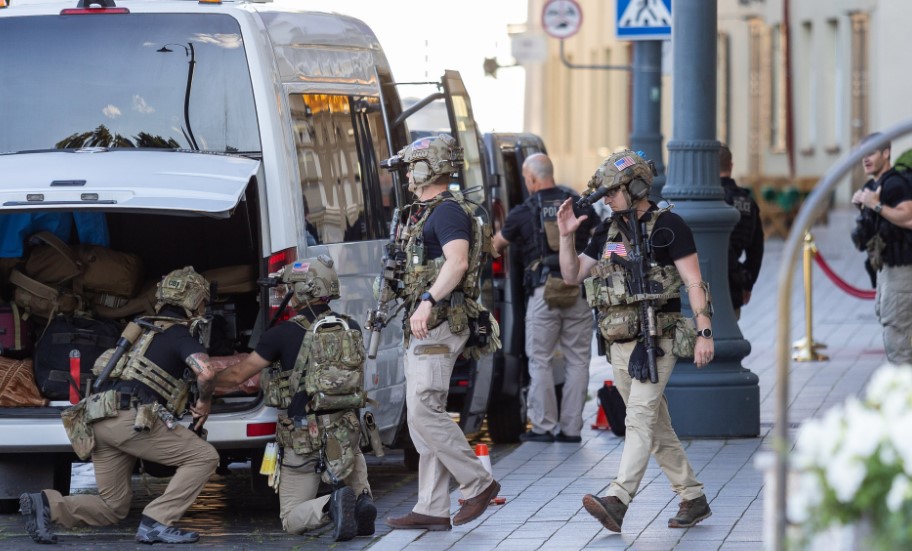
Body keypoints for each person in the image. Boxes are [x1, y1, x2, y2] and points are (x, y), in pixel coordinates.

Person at [557, 150, 714, 532]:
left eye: (613, 192)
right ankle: (692, 497)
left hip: (659, 337)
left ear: (638, 187)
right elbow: (573, 275)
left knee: (639, 419)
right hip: (620, 343)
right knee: (654, 426)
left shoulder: (669, 226)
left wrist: (704, 332)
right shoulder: (606, 231)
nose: (608, 200)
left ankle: (618, 498)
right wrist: (565, 235)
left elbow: (694, 282)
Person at [21, 267, 219, 545]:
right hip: (129, 419)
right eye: (203, 302)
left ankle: (46, 504)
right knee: (204, 456)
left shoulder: (141, 332)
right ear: (195, 302)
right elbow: (206, 372)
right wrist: (205, 402)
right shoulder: (178, 334)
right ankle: (157, 522)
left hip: (98, 418)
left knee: (113, 506)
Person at [381, 134, 501, 531]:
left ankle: (478, 483)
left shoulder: (447, 212)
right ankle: (432, 507)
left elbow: (458, 262)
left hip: (440, 323)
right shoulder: (426, 211)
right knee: (421, 418)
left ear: (425, 169)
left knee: (423, 409)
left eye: (410, 169)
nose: (406, 177)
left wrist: (428, 300)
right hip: (426, 326)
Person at [214, 255, 376, 542]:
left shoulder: (281, 334)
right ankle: (362, 500)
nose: (285, 294)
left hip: (304, 437)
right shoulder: (350, 327)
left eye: (288, 287)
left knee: (290, 518)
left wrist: (206, 384)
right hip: (346, 430)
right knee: (351, 452)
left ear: (301, 290)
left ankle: (331, 506)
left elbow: (239, 374)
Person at [492, 153, 597, 443]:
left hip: (543, 292)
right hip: (577, 288)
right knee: (578, 360)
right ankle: (571, 430)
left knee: (540, 359)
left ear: (531, 179)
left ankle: (544, 426)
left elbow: (496, 246)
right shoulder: (577, 202)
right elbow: (603, 236)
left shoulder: (523, 211)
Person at [851, 133, 912, 364]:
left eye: (871, 153)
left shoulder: (895, 184)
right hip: (886, 269)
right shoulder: (874, 185)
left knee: (898, 342)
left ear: (886, 153)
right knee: (893, 328)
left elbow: (909, 218)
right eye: (862, 155)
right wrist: (863, 207)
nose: (865, 159)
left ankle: (903, 387)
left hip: (901, 270)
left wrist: (875, 205)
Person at [719, 144, 764, 319]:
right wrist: (747, 282)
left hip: (704, 284)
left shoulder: (705, 200)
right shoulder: (747, 202)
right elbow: (756, 249)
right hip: (734, 287)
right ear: (731, 166)